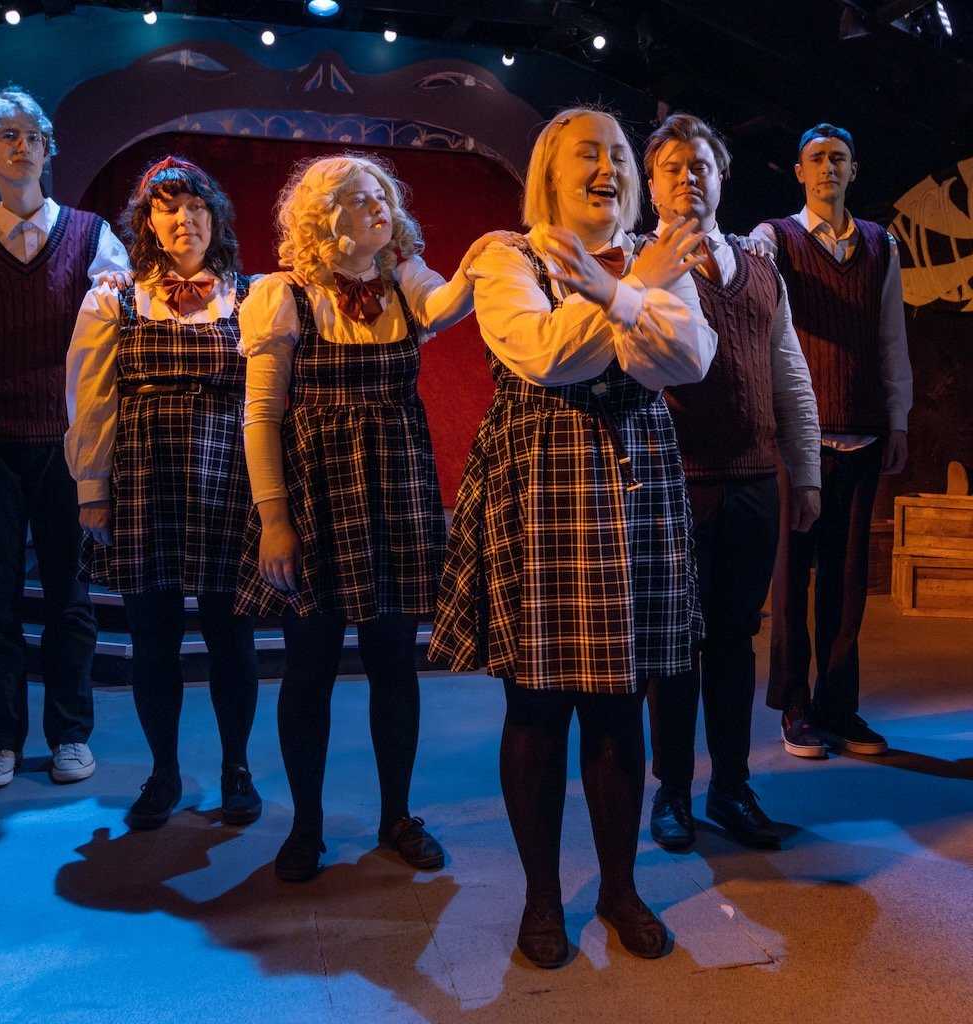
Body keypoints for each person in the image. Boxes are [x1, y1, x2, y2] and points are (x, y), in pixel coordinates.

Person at [429, 107, 718, 967]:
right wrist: (628, 303)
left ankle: (621, 888)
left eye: (620, 154)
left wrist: (620, 290)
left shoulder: (656, 258)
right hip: (545, 480)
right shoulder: (504, 255)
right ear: (551, 172)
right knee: (539, 702)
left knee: (619, 697)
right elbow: (543, 354)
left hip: (630, 481)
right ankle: (544, 899)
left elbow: (688, 359)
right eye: (589, 154)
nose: (609, 167)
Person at [235, 153, 512, 882]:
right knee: (311, 666)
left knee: (395, 663)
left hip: (393, 486)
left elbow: (451, 305)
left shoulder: (405, 278)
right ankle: (306, 825)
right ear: (325, 217)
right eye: (359, 198)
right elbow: (261, 414)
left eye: (382, 195)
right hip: (317, 491)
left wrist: (484, 254)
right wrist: (273, 518)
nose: (378, 205)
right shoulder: (283, 295)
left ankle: (397, 814)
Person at [641, 113, 821, 852]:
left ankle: (732, 788)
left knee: (735, 642)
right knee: (677, 648)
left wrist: (804, 472)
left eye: (702, 165)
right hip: (673, 485)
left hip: (751, 482)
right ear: (651, 184)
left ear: (723, 178)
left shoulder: (761, 270)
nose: (690, 177)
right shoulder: (640, 265)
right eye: (674, 167)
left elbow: (791, 377)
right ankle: (673, 794)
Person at [66, 156, 261, 830]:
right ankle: (164, 772)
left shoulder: (253, 293)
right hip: (146, 479)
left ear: (216, 216)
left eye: (197, 206)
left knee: (231, 635)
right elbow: (89, 398)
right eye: (170, 208)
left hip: (228, 479)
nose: (186, 220)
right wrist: (92, 488)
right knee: (154, 638)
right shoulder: (114, 296)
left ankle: (238, 768)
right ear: (148, 221)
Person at [0, 87, 128, 791]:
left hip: (63, 445)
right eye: (8, 135)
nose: (23, 145)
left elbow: (107, 345)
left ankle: (69, 736)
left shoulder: (89, 236)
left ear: (48, 149)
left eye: (33, 135)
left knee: (68, 598)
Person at [751, 124, 912, 758]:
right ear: (798, 172)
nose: (827, 168)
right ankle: (795, 706)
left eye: (837, 158)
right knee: (792, 578)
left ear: (853, 169)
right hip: (799, 437)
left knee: (848, 582)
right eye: (815, 159)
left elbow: (892, 339)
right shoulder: (776, 240)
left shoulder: (881, 245)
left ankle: (839, 706)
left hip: (863, 430)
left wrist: (897, 419)